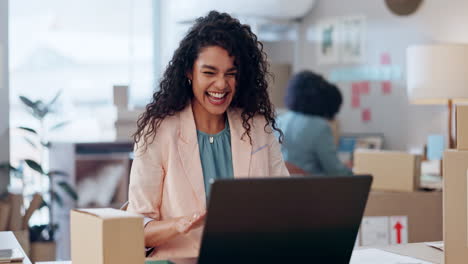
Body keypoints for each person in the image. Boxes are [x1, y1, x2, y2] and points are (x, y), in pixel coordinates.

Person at [126, 11, 289, 259]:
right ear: (189, 72)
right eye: (209, 73)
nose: (221, 85)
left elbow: (285, 204)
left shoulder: (257, 127)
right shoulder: (159, 133)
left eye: (230, 74)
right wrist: (179, 224)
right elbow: (136, 228)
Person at [277, 70, 352, 176]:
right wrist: (351, 170)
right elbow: (335, 171)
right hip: (311, 188)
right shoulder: (320, 127)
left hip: (279, 187)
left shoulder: (278, 121)